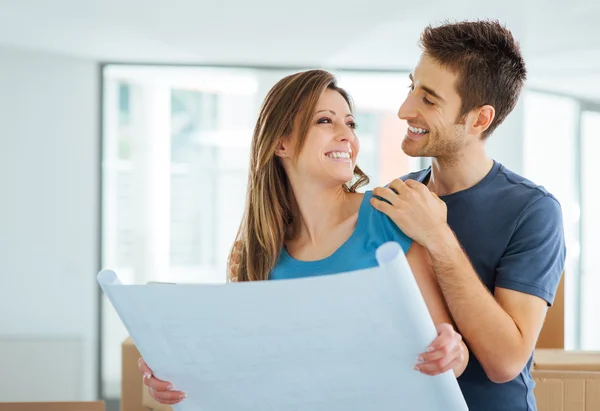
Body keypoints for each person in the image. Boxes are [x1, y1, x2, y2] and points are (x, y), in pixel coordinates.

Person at [137, 69, 468, 406]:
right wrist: (176, 374)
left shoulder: (391, 216)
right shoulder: (250, 254)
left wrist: (452, 353)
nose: (346, 136)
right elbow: (244, 367)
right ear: (281, 142)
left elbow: (451, 354)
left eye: (350, 123)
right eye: (325, 121)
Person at [370, 20, 566, 411]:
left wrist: (438, 238)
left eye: (429, 99)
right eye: (412, 88)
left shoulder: (534, 210)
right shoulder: (400, 196)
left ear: (479, 119)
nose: (405, 110)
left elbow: (505, 362)